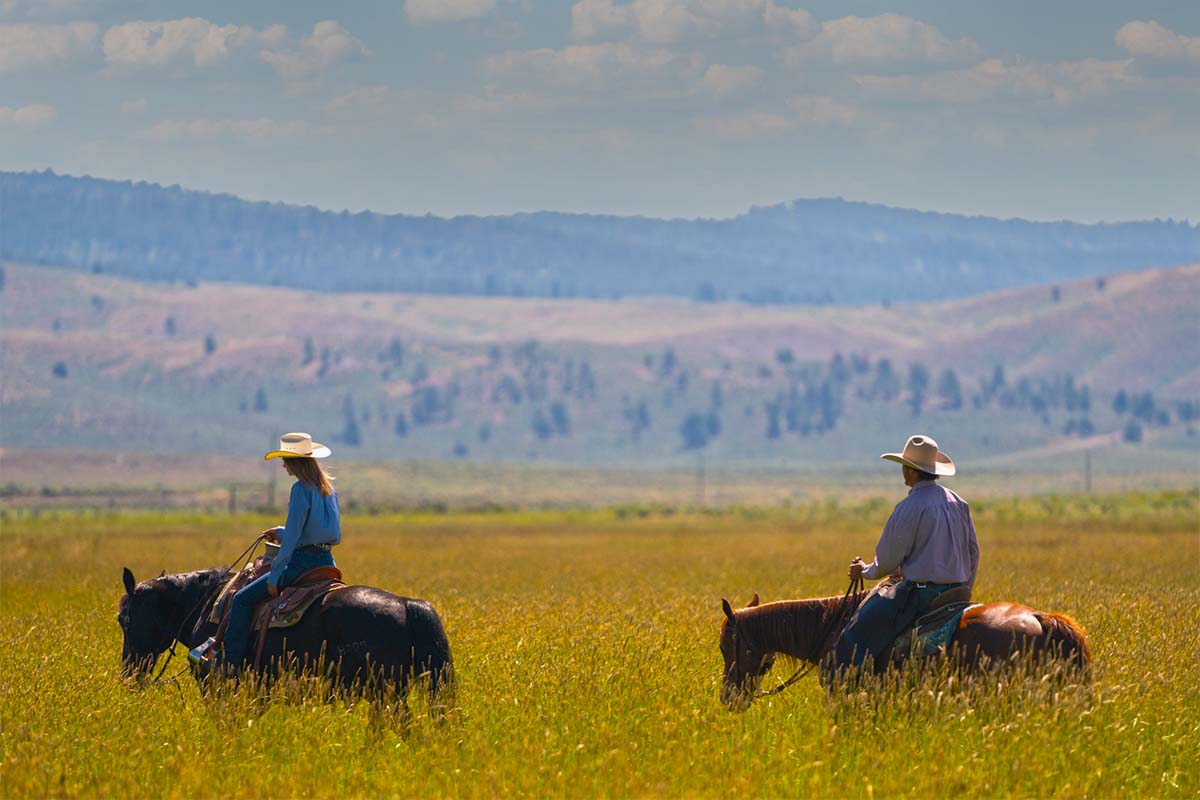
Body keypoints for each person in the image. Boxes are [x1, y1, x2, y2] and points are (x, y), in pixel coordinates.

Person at [832, 434, 979, 675]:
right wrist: (965, 587)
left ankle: (846, 683)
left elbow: (887, 562)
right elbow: (973, 552)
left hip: (920, 595)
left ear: (910, 471)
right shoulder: (958, 502)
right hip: (957, 593)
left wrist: (865, 571)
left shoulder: (909, 507)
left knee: (857, 629)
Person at [217, 432, 341, 674]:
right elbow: (320, 532)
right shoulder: (328, 489)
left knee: (242, 599)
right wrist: (280, 531)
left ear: (295, 462)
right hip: (327, 561)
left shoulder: (300, 489)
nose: (283, 465)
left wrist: (275, 575)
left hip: (301, 563)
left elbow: (294, 539)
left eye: (285, 459)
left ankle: (230, 664)